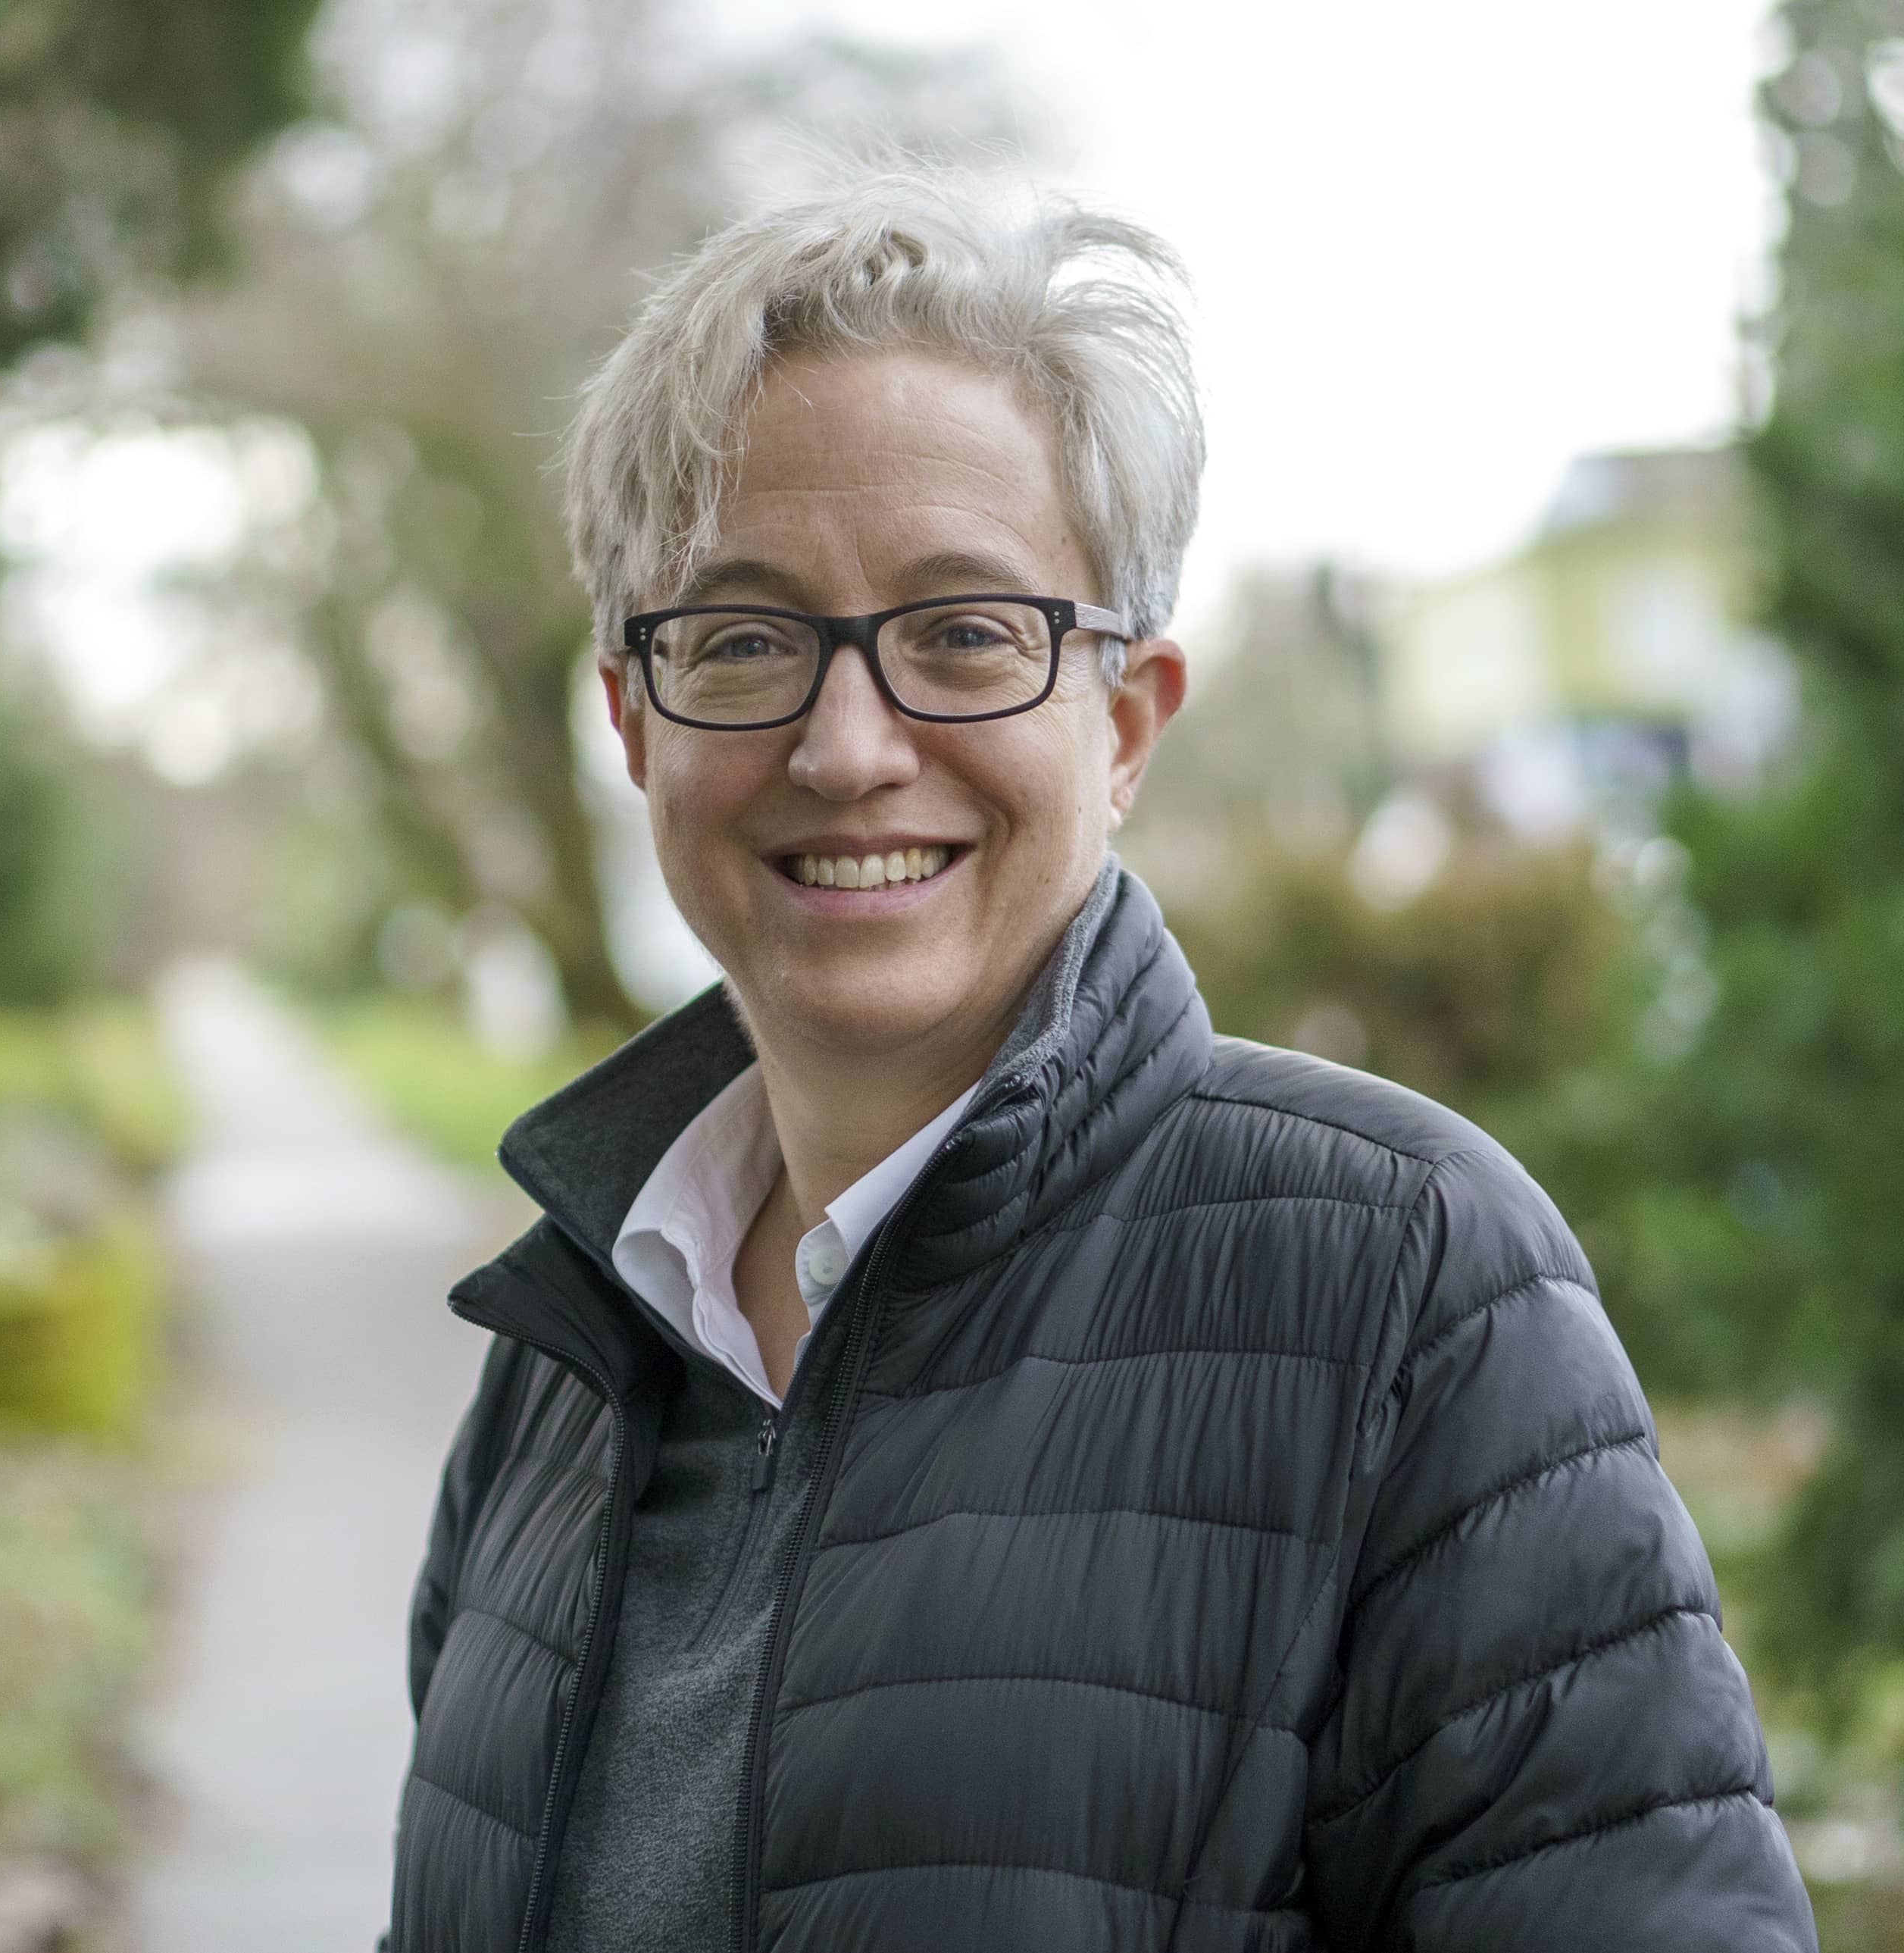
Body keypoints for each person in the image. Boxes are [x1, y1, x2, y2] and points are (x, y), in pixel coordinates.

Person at [386, 170, 1818, 1953]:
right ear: (631, 718)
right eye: (742, 638)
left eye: (963, 634)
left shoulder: (1405, 1285)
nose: (847, 748)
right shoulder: (568, 1352)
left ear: (1125, 719)